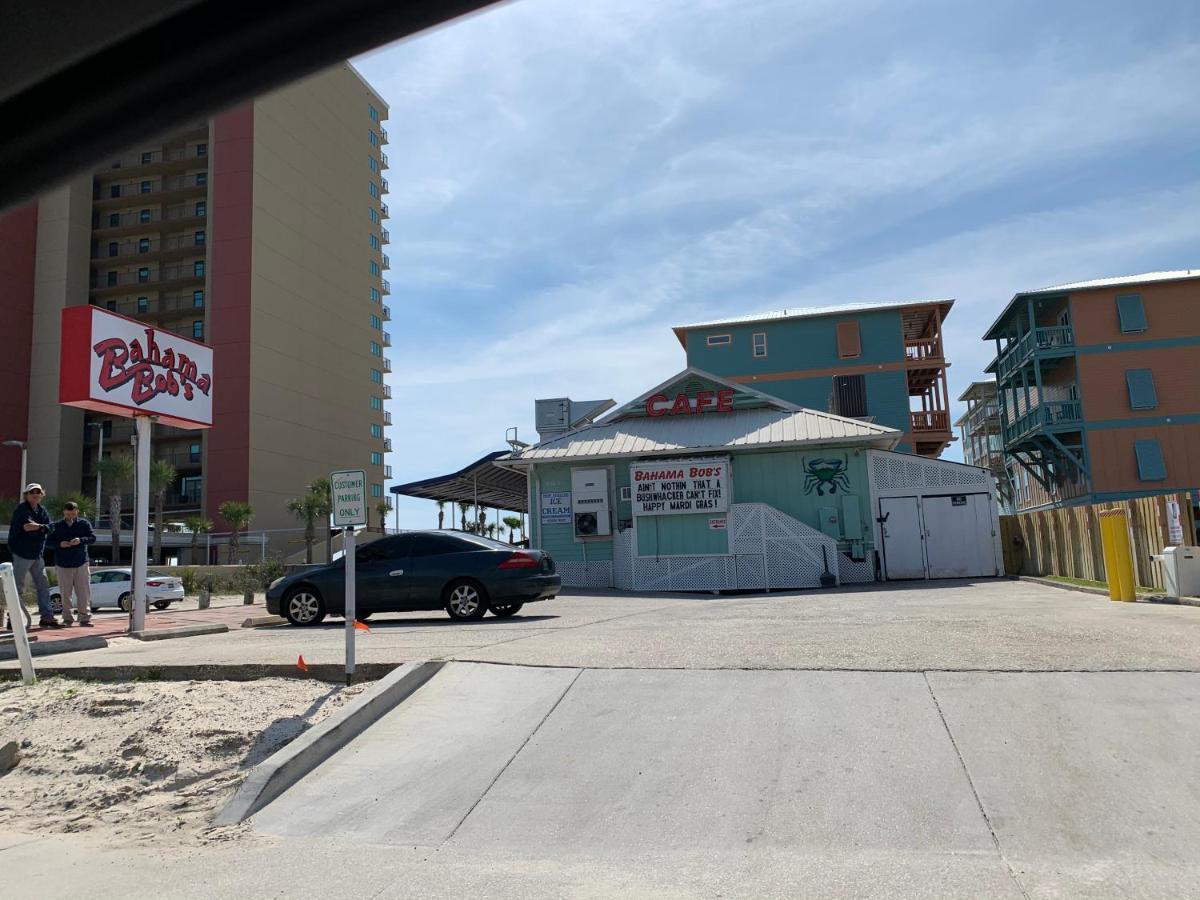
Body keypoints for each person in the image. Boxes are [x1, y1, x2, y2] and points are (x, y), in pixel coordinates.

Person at [7, 483, 58, 628]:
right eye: (32, 492)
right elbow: (27, 526)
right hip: (22, 553)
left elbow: (52, 527)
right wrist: (43, 527)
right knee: (18, 586)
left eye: (38, 492)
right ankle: (13, 619)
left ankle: (47, 617)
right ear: (26, 495)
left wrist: (41, 527)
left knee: (43, 585)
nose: (35, 494)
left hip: (37, 554)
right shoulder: (22, 509)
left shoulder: (42, 510)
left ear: (42, 494)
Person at [50, 500, 96, 627]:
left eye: (73, 514)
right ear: (64, 512)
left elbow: (92, 538)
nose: (70, 517)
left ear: (77, 512)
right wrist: (60, 544)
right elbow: (47, 542)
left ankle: (85, 618)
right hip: (63, 563)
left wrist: (80, 540)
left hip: (81, 562)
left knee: (84, 592)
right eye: (68, 514)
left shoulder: (84, 524)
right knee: (65, 593)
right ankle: (67, 619)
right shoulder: (56, 525)